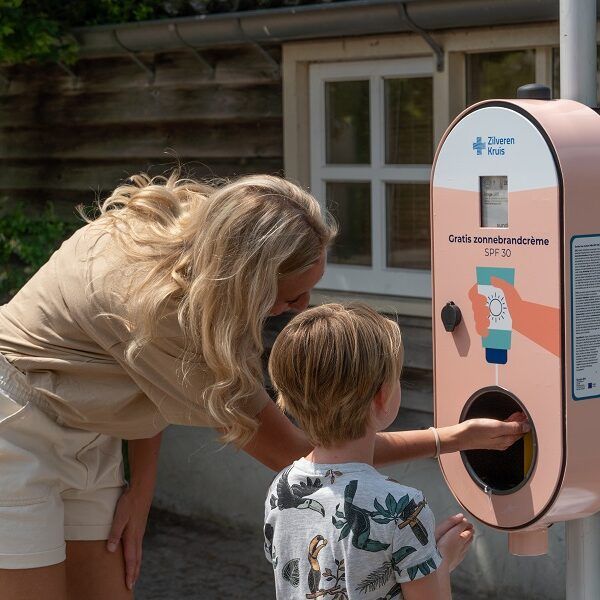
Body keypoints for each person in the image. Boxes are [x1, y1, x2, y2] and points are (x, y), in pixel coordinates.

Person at [0, 171, 529, 599]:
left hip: (91, 424)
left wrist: (140, 490)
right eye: (291, 296)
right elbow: (307, 450)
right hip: (17, 427)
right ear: (245, 277)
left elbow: (144, 382)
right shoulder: (163, 313)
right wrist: (447, 441)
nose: (300, 310)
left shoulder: (201, 236)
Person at [265, 303, 475, 599]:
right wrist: (440, 562)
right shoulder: (402, 507)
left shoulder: (282, 488)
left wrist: (422, 557)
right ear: (382, 396)